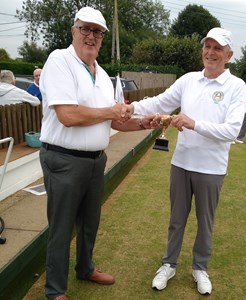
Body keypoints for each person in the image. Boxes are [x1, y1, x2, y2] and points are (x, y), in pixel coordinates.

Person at [39, 7, 157, 300]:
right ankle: (55, 290)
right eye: (85, 29)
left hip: (95, 160)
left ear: (103, 38)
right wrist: (110, 111)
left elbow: (115, 120)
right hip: (63, 159)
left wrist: (145, 122)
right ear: (73, 31)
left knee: (90, 222)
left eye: (97, 31)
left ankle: (85, 267)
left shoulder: (103, 74)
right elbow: (67, 114)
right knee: (61, 227)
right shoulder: (59, 60)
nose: (91, 36)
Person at [128, 27, 246, 295]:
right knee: (176, 219)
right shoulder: (189, 80)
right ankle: (168, 264)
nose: (211, 53)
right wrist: (133, 108)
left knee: (205, 222)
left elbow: (232, 131)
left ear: (229, 55)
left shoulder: (236, 86)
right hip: (181, 163)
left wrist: (193, 123)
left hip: (212, 168)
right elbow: (162, 101)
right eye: (207, 46)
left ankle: (199, 268)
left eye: (218, 48)